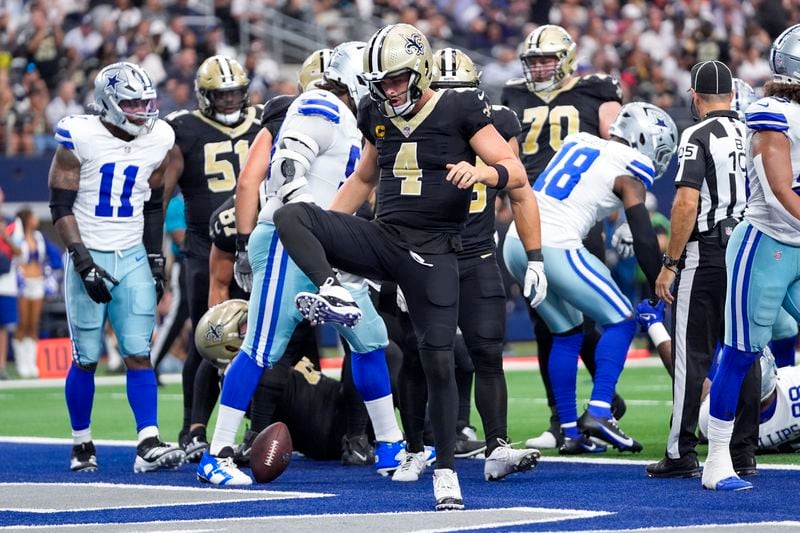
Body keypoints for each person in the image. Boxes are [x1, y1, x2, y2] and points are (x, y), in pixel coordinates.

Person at [273, 24, 529, 511]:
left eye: (397, 80)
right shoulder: (374, 110)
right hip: (384, 237)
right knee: (291, 215)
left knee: (436, 357)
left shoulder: (461, 107)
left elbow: (513, 171)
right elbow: (365, 177)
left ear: (421, 70)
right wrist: (328, 226)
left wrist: (483, 172)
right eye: (381, 82)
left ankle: (447, 472)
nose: (389, 90)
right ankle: (335, 290)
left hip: (434, 250)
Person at [198, 42, 404, 486]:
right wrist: (306, 226)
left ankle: (390, 446)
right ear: (352, 76)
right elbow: (288, 166)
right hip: (288, 241)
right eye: (370, 78)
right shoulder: (320, 102)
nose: (377, 87)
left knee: (372, 339)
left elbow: (354, 189)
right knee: (260, 348)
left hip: (330, 243)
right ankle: (216, 454)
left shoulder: (356, 120)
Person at [391, 47, 543, 484]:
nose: (455, 97)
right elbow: (384, 188)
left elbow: (518, 187)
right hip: (426, 251)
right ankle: (415, 448)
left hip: (476, 251)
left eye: (463, 90)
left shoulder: (497, 122)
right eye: (445, 89)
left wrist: (536, 256)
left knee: (487, 354)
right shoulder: (409, 119)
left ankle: (496, 445)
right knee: (421, 357)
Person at [504, 102, 677, 454]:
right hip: (554, 244)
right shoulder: (632, 165)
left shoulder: (579, 141)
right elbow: (644, 235)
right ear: (646, 141)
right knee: (623, 321)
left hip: (515, 242)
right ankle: (599, 412)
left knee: (566, 333)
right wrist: (659, 280)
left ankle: (570, 431)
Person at [49, 62, 183, 472]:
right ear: (108, 103)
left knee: (138, 352)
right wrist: (83, 261)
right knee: (86, 356)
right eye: (132, 102)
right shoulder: (80, 137)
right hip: (89, 251)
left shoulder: (159, 136)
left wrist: (156, 256)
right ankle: (82, 442)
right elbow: (59, 207)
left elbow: (154, 202)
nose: (143, 109)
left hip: (132, 253)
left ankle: (148, 441)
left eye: (146, 100)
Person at [501, 24, 625, 450]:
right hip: (529, 211)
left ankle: (599, 405)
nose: (538, 68)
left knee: (587, 317)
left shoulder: (595, 90)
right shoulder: (514, 95)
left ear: (567, 59)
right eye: (533, 61)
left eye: (546, 59)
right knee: (546, 323)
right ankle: (566, 417)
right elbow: (508, 155)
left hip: (578, 217)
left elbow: (618, 143)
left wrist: (622, 214)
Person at [649, 61, 758, 480]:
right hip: (749, 247)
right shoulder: (752, 131)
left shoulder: (696, 134)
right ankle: (743, 450)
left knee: (691, 356)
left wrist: (670, 264)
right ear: (732, 95)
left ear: (695, 97)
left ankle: (681, 450)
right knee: (742, 350)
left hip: (707, 252)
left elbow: (685, 204)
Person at [703, 24, 800, 492]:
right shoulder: (774, 114)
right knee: (739, 354)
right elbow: (781, 190)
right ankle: (717, 460)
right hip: (767, 243)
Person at [162, 54, 261, 455]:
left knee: (262, 340)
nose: (230, 102)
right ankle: (193, 426)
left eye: (235, 93)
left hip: (255, 245)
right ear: (205, 97)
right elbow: (162, 192)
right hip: (204, 248)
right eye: (221, 96)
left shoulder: (263, 122)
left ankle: (260, 425)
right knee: (209, 338)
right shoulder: (183, 128)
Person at [636, 300, 800, 453]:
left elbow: (692, 378)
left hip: (729, 426)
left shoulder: (713, 418)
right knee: (786, 327)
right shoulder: (794, 386)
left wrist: (653, 325)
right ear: (774, 372)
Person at [150, 192, 190, 385]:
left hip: (208, 264)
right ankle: (151, 362)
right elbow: (180, 237)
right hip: (185, 265)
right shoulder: (177, 204)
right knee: (176, 318)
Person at [12, 207, 46, 379]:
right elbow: (17, 258)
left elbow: (42, 259)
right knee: (23, 323)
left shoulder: (39, 237)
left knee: (34, 323)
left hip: (37, 282)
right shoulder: (18, 238)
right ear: (27, 219)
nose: (36, 219)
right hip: (23, 283)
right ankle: (21, 363)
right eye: (33, 217)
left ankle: (31, 362)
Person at [0, 187, 20, 380]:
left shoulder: (12, 223)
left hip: (5, 281)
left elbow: (21, 253)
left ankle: (1, 366)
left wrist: (6, 237)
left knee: (4, 326)